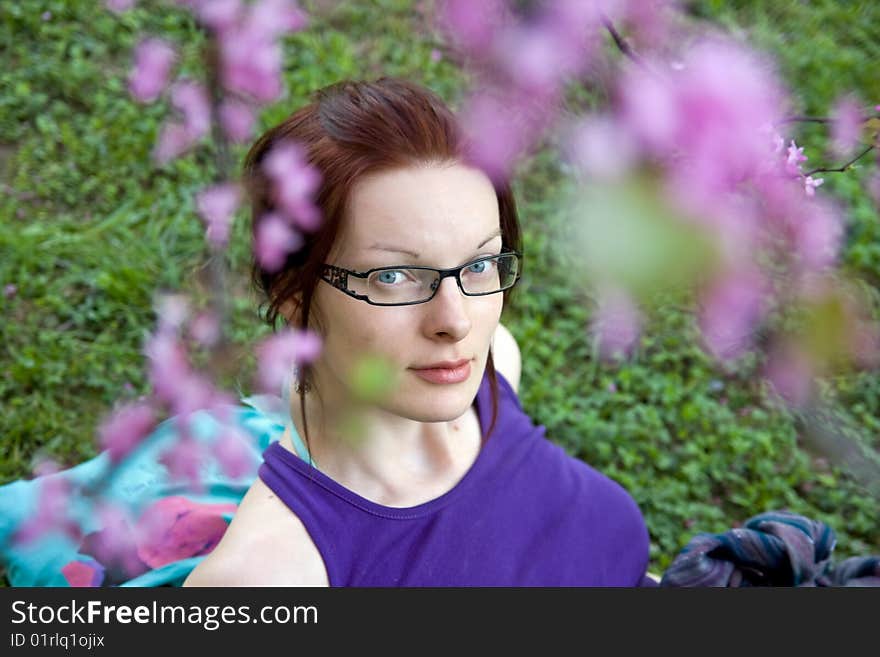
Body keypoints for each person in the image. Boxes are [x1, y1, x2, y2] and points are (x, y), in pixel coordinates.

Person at [183, 77, 653, 587]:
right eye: (392, 278)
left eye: (479, 264)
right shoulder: (269, 577)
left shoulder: (493, 364)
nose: (455, 323)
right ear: (294, 299)